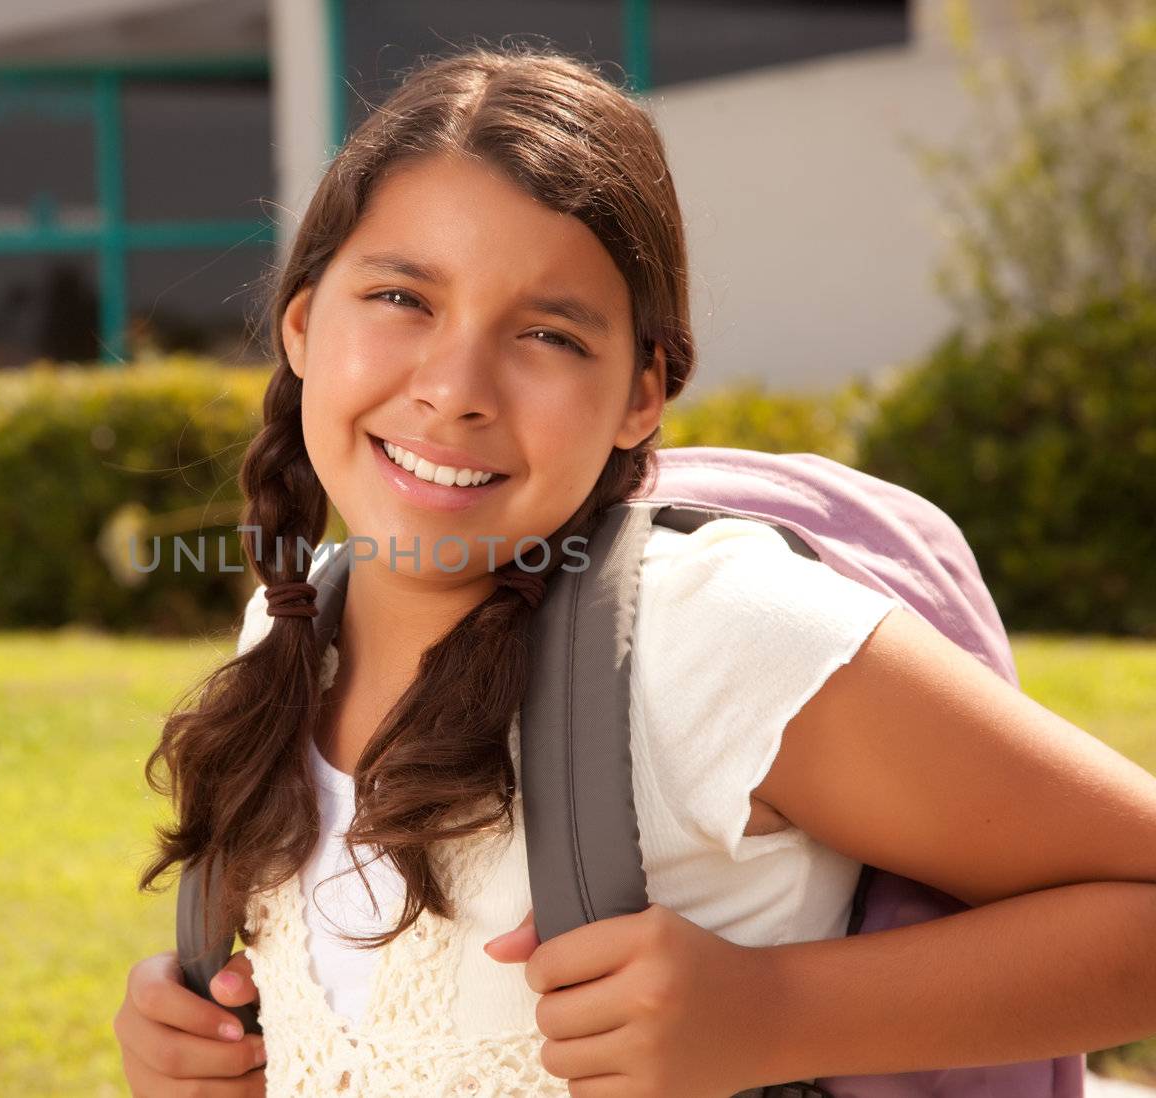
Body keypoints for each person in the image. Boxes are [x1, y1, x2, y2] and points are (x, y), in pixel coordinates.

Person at [112, 43, 1156, 1097]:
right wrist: (209, 1051)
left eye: (549, 334)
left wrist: (775, 1014)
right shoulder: (289, 628)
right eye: (401, 298)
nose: (455, 388)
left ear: (640, 396)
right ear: (301, 323)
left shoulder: (705, 636)